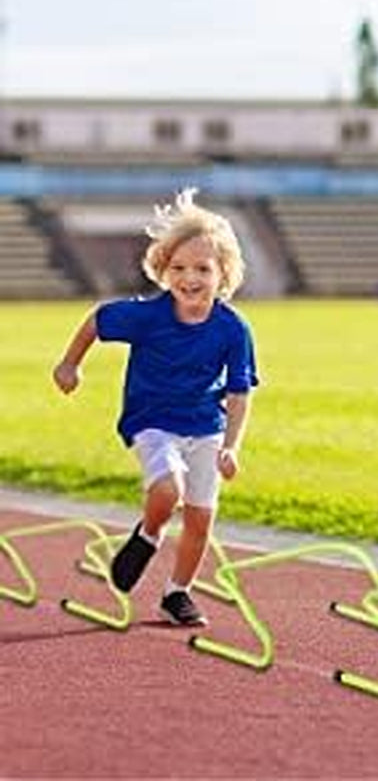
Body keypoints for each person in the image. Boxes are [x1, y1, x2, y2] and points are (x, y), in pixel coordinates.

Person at [52, 188, 259, 626]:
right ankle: (147, 535)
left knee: (201, 519)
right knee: (169, 491)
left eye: (203, 268)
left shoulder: (233, 329)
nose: (190, 278)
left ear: (224, 274)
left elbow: (240, 391)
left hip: (206, 427)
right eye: (178, 268)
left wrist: (232, 446)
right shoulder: (147, 316)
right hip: (152, 422)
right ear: (163, 271)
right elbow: (96, 321)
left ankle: (177, 593)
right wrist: (70, 364)